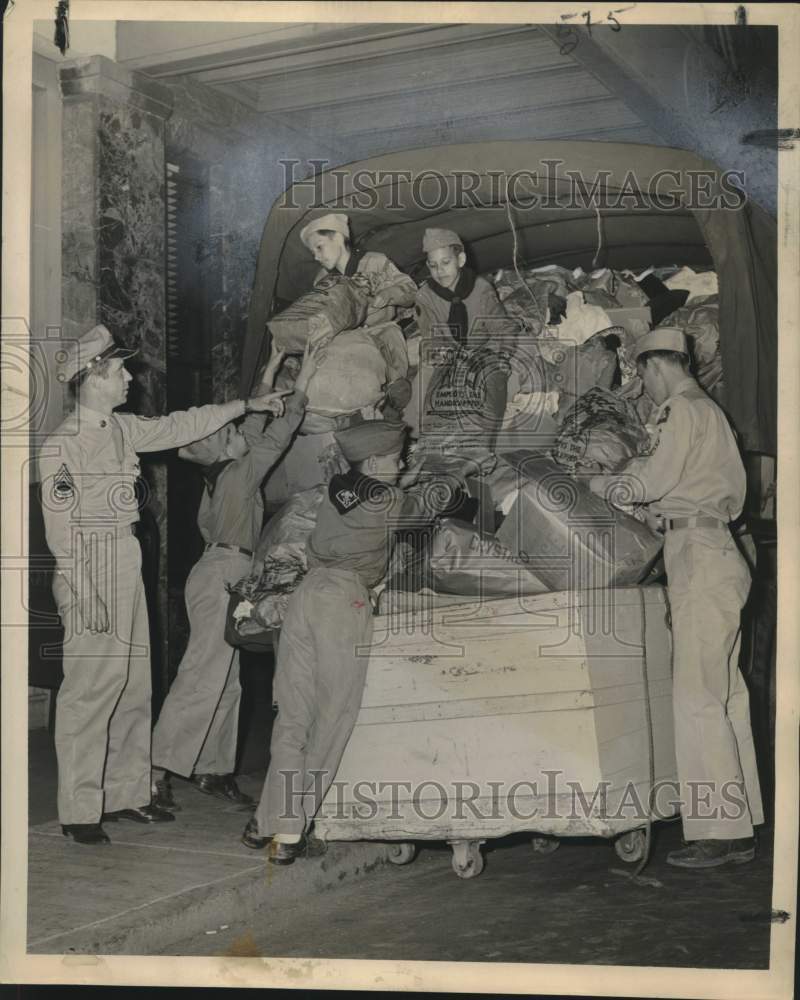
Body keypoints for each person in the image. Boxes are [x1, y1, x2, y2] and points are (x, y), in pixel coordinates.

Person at [38, 324, 289, 846]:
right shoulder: (62, 447)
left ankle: (127, 793)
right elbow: (61, 533)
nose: (129, 377)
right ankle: (80, 809)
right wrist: (86, 595)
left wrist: (246, 404)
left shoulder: (121, 429)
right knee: (90, 690)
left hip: (126, 556)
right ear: (92, 377)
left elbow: (181, 425)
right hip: (90, 566)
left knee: (133, 685)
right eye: (119, 370)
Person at [589, 326, 763, 869]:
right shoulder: (712, 413)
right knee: (724, 694)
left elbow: (652, 479)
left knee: (695, 697)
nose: (642, 387)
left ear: (654, 366)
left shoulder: (681, 411)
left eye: (641, 375)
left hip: (700, 552)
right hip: (715, 548)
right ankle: (742, 819)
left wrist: (604, 485)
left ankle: (719, 832)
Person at [242, 420, 446, 864]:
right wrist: (450, 475)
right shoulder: (389, 500)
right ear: (374, 462)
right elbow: (418, 511)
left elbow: (376, 494)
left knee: (294, 718)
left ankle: (265, 821)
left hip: (306, 596)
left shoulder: (340, 485)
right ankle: (292, 833)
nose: (402, 463)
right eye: (396, 459)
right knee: (333, 719)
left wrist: (402, 480)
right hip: (343, 603)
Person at [150, 341, 322, 811]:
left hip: (219, 573)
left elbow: (253, 420)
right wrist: (304, 375)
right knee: (203, 674)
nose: (245, 432)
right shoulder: (240, 475)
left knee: (227, 680)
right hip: (225, 571)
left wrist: (269, 365)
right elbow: (281, 428)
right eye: (234, 432)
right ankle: (156, 768)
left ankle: (212, 769)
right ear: (226, 445)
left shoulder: (222, 475)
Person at [412, 228, 516, 450]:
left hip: (485, 351)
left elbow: (502, 327)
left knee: (491, 386)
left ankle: (482, 451)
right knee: (432, 393)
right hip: (451, 355)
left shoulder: (480, 288)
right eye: (433, 265)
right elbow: (430, 335)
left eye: (445, 262)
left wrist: (503, 354)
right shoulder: (425, 296)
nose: (440, 272)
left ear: (461, 259)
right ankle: (430, 449)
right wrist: (439, 352)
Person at [300, 212, 417, 327]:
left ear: (338, 238)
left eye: (319, 247)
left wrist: (387, 295)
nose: (316, 257)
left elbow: (411, 290)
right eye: (313, 252)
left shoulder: (374, 261)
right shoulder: (321, 280)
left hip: (384, 331)